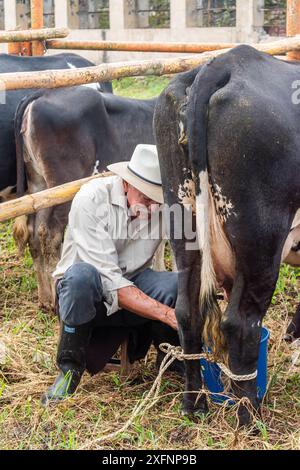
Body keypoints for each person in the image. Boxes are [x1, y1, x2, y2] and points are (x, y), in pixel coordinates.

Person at [41, 144, 182, 405]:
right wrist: (167, 314)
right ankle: (69, 369)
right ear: (126, 183)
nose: (151, 209)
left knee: (176, 285)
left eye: (158, 201)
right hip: (87, 296)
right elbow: (108, 281)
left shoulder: (163, 208)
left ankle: (173, 362)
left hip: (133, 282)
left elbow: (193, 244)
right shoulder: (91, 199)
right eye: (146, 198)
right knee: (81, 277)